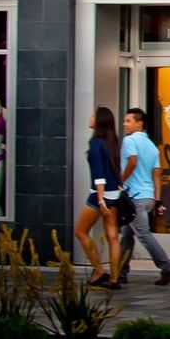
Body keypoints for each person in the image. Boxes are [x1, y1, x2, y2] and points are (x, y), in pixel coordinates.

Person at [119, 107, 170, 286]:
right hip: (147, 196)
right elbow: (157, 174)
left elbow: (132, 161)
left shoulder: (129, 140)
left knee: (143, 234)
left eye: (128, 121)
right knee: (127, 234)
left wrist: (120, 181)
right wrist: (157, 199)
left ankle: (168, 268)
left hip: (134, 196)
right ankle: (121, 272)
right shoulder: (152, 147)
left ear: (139, 123)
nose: (124, 124)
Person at [74, 107, 122, 289]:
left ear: (99, 121)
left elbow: (99, 174)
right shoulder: (112, 142)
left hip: (99, 195)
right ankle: (114, 279)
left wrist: (100, 200)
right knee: (113, 236)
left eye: (94, 115)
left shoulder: (95, 143)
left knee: (80, 231)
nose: (91, 117)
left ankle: (99, 270)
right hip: (114, 194)